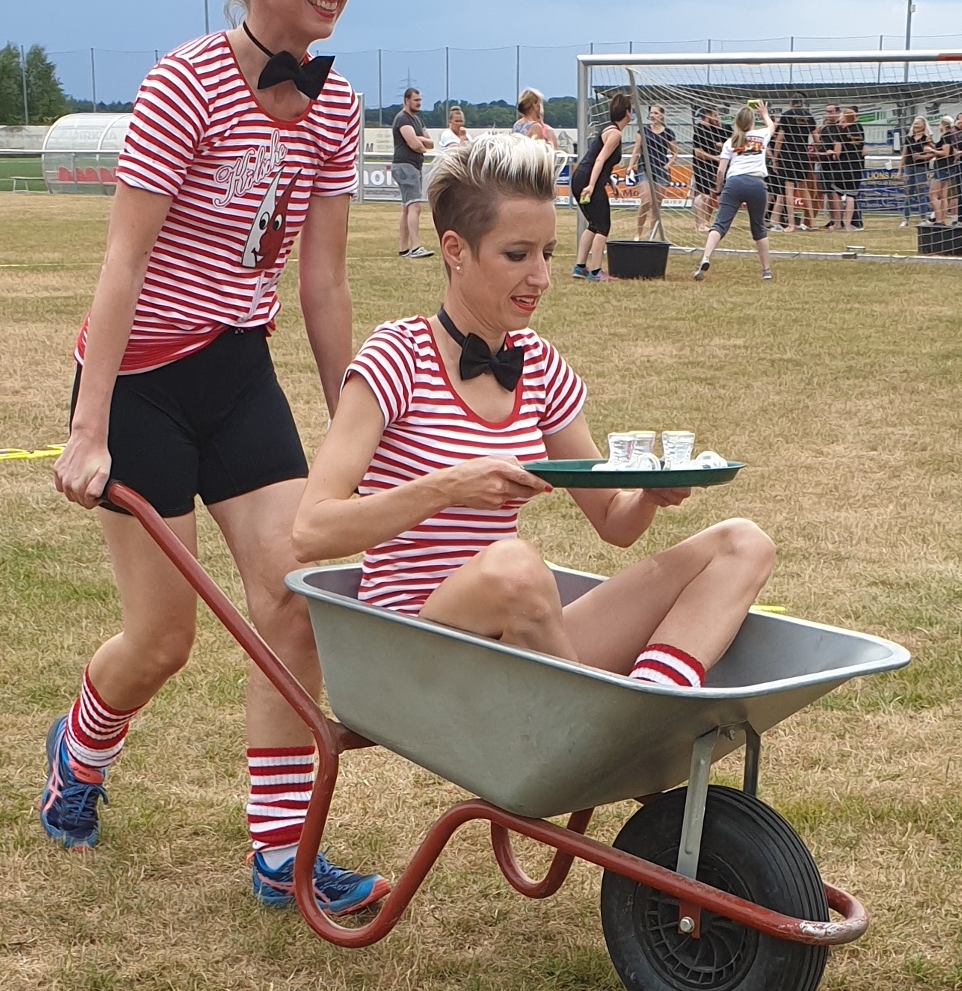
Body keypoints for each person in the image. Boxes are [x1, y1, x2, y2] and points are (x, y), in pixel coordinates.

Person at [42, 0, 387, 917]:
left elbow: (323, 285)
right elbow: (123, 261)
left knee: (294, 600)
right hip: (141, 382)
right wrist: (89, 429)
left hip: (237, 370)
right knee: (163, 641)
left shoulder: (336, 105)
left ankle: (281, 855)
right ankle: (78, 752)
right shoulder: (184, 84)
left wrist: (357, 428)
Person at [291, 133, 773, 693]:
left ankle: (654, 702)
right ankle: (598, 721)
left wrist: (649, 495)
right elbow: (310, 531)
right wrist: (447, 487)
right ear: (455, 251)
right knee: (514, 567)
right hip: (419, 654)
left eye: (547, 253)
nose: (541, 277)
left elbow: (613, 522)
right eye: (517, 255)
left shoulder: (538, 363)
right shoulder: (397, 356)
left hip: (520, 639)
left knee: (744, 543)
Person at [692, 102, 775, 281]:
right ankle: (766, 270)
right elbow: (771, 125)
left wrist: (718, 188)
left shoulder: (730, 142)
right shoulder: (761, 135)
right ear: (752, 122)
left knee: (720, 225)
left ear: (736, 122)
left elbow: (721, 170)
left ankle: (705, 257)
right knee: (758, 228)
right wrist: (764, 113)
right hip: (756, 184)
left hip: (734, 183)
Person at [571, 92, 631, 279]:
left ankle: (580, 267)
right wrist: (591, 186)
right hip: (588, 180)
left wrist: (610, 181)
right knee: (603, 226)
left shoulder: (608, 129)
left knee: (594, 224)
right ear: (627, 113)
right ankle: (596, 271)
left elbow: (601, 163)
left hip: (580, 178)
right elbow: (599, 160)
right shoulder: (615, 134)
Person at [391, 86, 434, 257]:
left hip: (414, 166)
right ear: (406, 100)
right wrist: (420, 143)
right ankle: (416, 247)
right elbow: (414, 145)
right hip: (405, 166)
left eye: (420, 100)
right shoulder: (402, 119)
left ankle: (403, 248)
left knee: (407, 208)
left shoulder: (417, 120)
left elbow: (430, 143)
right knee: (415, 206)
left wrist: (420, 140)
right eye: (416, 100)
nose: (419, 103)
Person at [633, 103, 676, 238]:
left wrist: (668, 165)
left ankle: (651, 235)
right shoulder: (643, 131)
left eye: (656, 113)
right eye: (651, 113)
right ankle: (638, 233)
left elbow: (675, 153)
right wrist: (630, 166)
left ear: (662, 115)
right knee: (646, 200)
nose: (652, 115)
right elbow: (636, 150)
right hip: (645, 167)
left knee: (657, 204)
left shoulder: (668, 133)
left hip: (661, 169)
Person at [775, 96, 815, 231]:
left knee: (789, 190)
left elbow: (779, 139)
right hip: (802, 155)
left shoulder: (786, 115)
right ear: (802, 104)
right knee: (804, 189)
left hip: (788, 156)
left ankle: (791, 224)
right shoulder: (809, 116)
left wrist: (775, 158)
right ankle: (811, 222)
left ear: (790, 104)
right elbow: (816, 138)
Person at [689, 105, 727, 231]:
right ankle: (699, 224)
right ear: (707, 115)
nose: (717, 118)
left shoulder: (715, 130)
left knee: (711, 195)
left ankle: (706, 222)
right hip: (702, 167)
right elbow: (698, 153)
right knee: (703, 195)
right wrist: (714, 157)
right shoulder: (699, 130)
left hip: (713, 167)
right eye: (715, 115)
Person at [811, 104, 844, 228]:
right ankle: (833, 219)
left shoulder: (840, 128)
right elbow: (821, 145)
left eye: (831, 112)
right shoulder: (825, 128)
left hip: (836, 165)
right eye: (827, 112)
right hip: (824, 164)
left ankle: (838, 221)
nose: (828, 114)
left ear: (837, 112)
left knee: (835, 193)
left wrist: (833, 152)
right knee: (828, 193)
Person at [900, 116, 934, 228]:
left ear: (924, 125)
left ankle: (923, 219)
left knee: (921, 194)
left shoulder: (927, 139)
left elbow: (933, 153)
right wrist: (900, 170)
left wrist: (921, 157)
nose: (916, 125)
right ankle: (905, 219)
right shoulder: (909, 138)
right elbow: (904, 154)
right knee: (908, 194)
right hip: (909, 167)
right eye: (915, 123)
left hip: (921, 168)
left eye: (918, 123)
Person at [835, 107, 865, 233]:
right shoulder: (859, 129)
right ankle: (848, 225)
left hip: (843, 165)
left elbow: (837, 152)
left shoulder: (841, 132)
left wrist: (832, 154)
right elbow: (863, 150)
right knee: (851, 195)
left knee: (838, 193)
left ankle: (838, 223)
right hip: (857, 166)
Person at [927, 118, 954, 226]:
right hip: (948, 168)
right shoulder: (951, 137)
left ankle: (938, 220)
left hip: (942, 168)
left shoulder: (946, 137)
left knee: (933, 195)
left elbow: (945, 153)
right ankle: (942, 220)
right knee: (943, 196)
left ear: (944, 125)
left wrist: (932, 150)